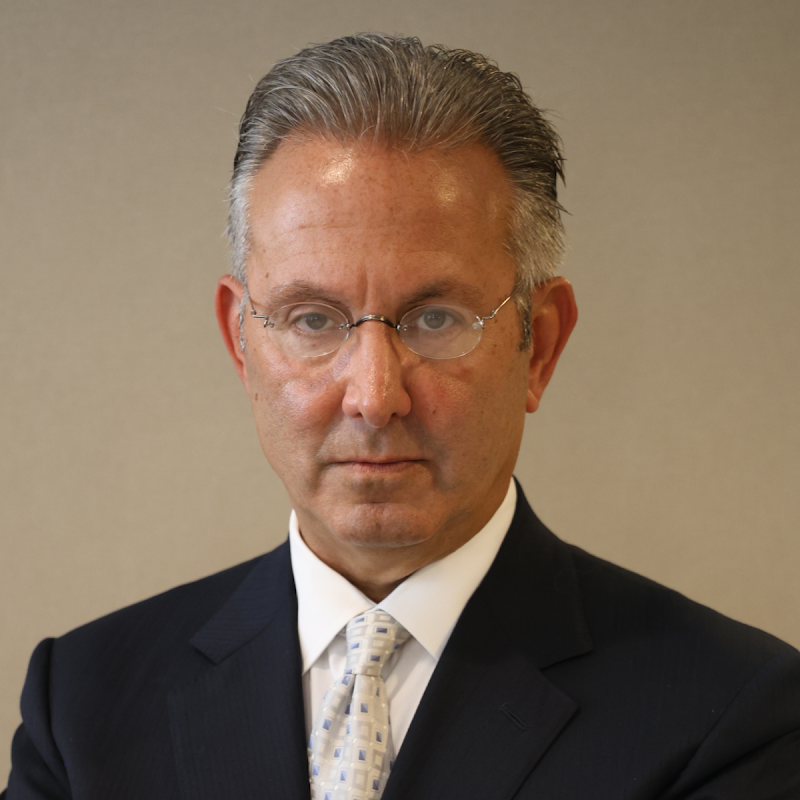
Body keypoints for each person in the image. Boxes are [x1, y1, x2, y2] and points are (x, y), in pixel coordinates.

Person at [4, 33, 799, 800]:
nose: (373, 395)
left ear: (541, 345)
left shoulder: (730, 715)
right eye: (313, 320)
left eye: (435, 319)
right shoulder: (81, 704)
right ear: (242, 342)